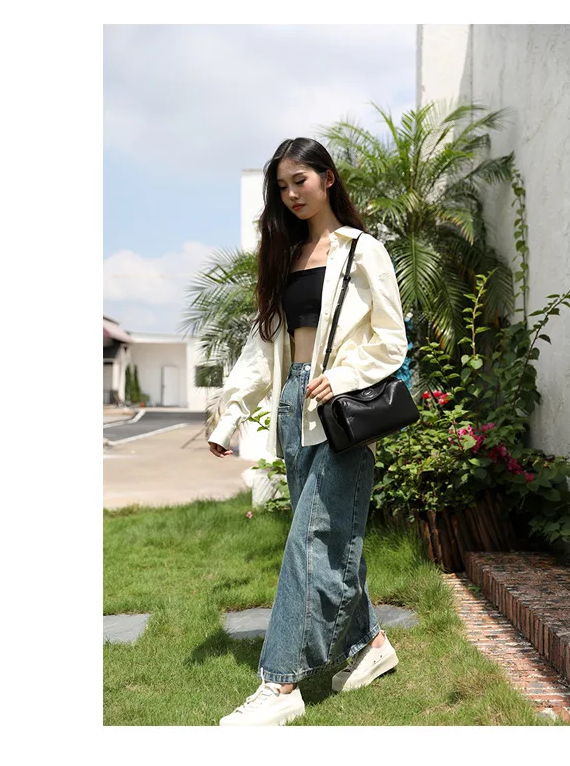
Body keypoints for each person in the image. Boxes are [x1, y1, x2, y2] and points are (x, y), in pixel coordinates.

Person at [208, 137, 408, 726]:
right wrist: (231, 414)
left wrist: (340, 376)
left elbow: (390, 341)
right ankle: (370, 644)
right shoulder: (286, 255)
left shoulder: (361, 250)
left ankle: (281, 683)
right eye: (282, 186)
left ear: (327, 178)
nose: (292, 194)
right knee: (324, 534)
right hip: (294, 405)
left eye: (300, 180)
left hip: (340, 406)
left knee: (312, 539)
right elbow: (262, 343)